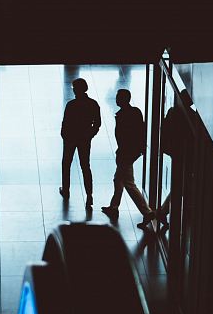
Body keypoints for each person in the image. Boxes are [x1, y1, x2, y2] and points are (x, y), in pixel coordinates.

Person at [101, 88, 154, 228]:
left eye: (118, 97)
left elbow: (123, 137)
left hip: (126, 153)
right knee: (118, 179)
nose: (116, 99)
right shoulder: (135, 112)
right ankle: (114, 207)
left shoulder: (123, 115)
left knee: (129, 183)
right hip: (131, 152)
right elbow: (140, 132)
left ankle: (147, 212)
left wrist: (121, 153)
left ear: (123, 99)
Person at [155, 89, 196, 230]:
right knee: (183, 183)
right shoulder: (191, 116)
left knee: (181, 183)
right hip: (186, 154)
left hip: (176, 152)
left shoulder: (172, 112)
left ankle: (164, 210)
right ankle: (166, 210)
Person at [59, 77, 101, 207]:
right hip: (84, 139)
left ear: (76, 90)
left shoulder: (71, 105)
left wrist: (65, 136)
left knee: (66, 164)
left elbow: (65, 123)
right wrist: (89, 135)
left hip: (71, 138)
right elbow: (97, 123)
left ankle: (66, 190)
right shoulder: (93, 104)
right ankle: (89, 195)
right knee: (85, 166)